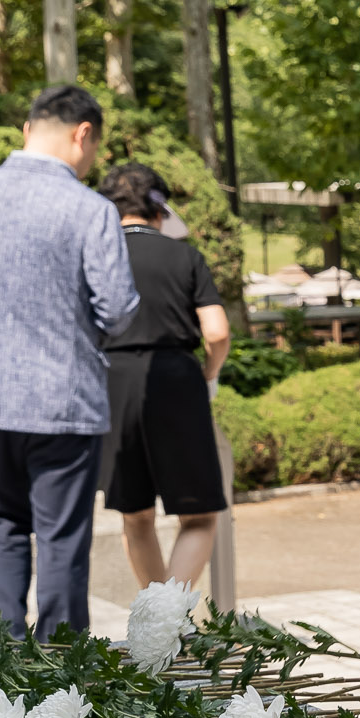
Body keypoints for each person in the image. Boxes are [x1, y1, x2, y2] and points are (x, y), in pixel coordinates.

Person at [0, 84, 137, 639]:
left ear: (28, 130)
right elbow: (119, 311)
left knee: (1, 526)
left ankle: (1, 656)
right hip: (62, 399)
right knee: (61, 539)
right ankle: (60, 668)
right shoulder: (89, 209)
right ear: (83, 135)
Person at [96, 163, 231, 593]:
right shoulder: (184, 255)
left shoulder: (97, 255)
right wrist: (208, 375)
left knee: (135, 515)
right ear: (160, 210)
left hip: (112, 380)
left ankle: (153, 618)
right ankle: (169, 616)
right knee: (199, 514)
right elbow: (217, 331)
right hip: (175, 380)